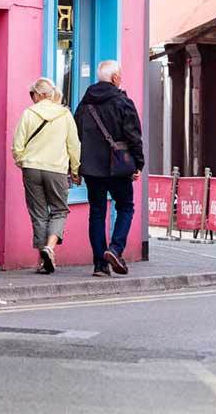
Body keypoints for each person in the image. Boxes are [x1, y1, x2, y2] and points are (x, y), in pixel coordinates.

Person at [75, 60, 144, 278]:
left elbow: (76, 132)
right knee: (125, 207)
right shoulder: (123, 102)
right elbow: (134, 136)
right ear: (114, 78)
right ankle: (115, 249)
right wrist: (138, 163)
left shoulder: (85, 103)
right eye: (120, 74)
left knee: (97, 213)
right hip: (118, 166)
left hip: (92, 167)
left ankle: (99, 266)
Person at [11, 77, 81, 274]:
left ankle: (43, 261)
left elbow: (17, 145)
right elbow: (74, 146)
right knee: (59, 210)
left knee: (39, 214)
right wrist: (75, 170)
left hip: (32, 168)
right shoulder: (64, 115)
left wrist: (22, 161)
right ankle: (49, 248)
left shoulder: (28, 114)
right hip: (57, 169)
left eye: (32, 94)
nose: (31, 98)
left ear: (40, 95)